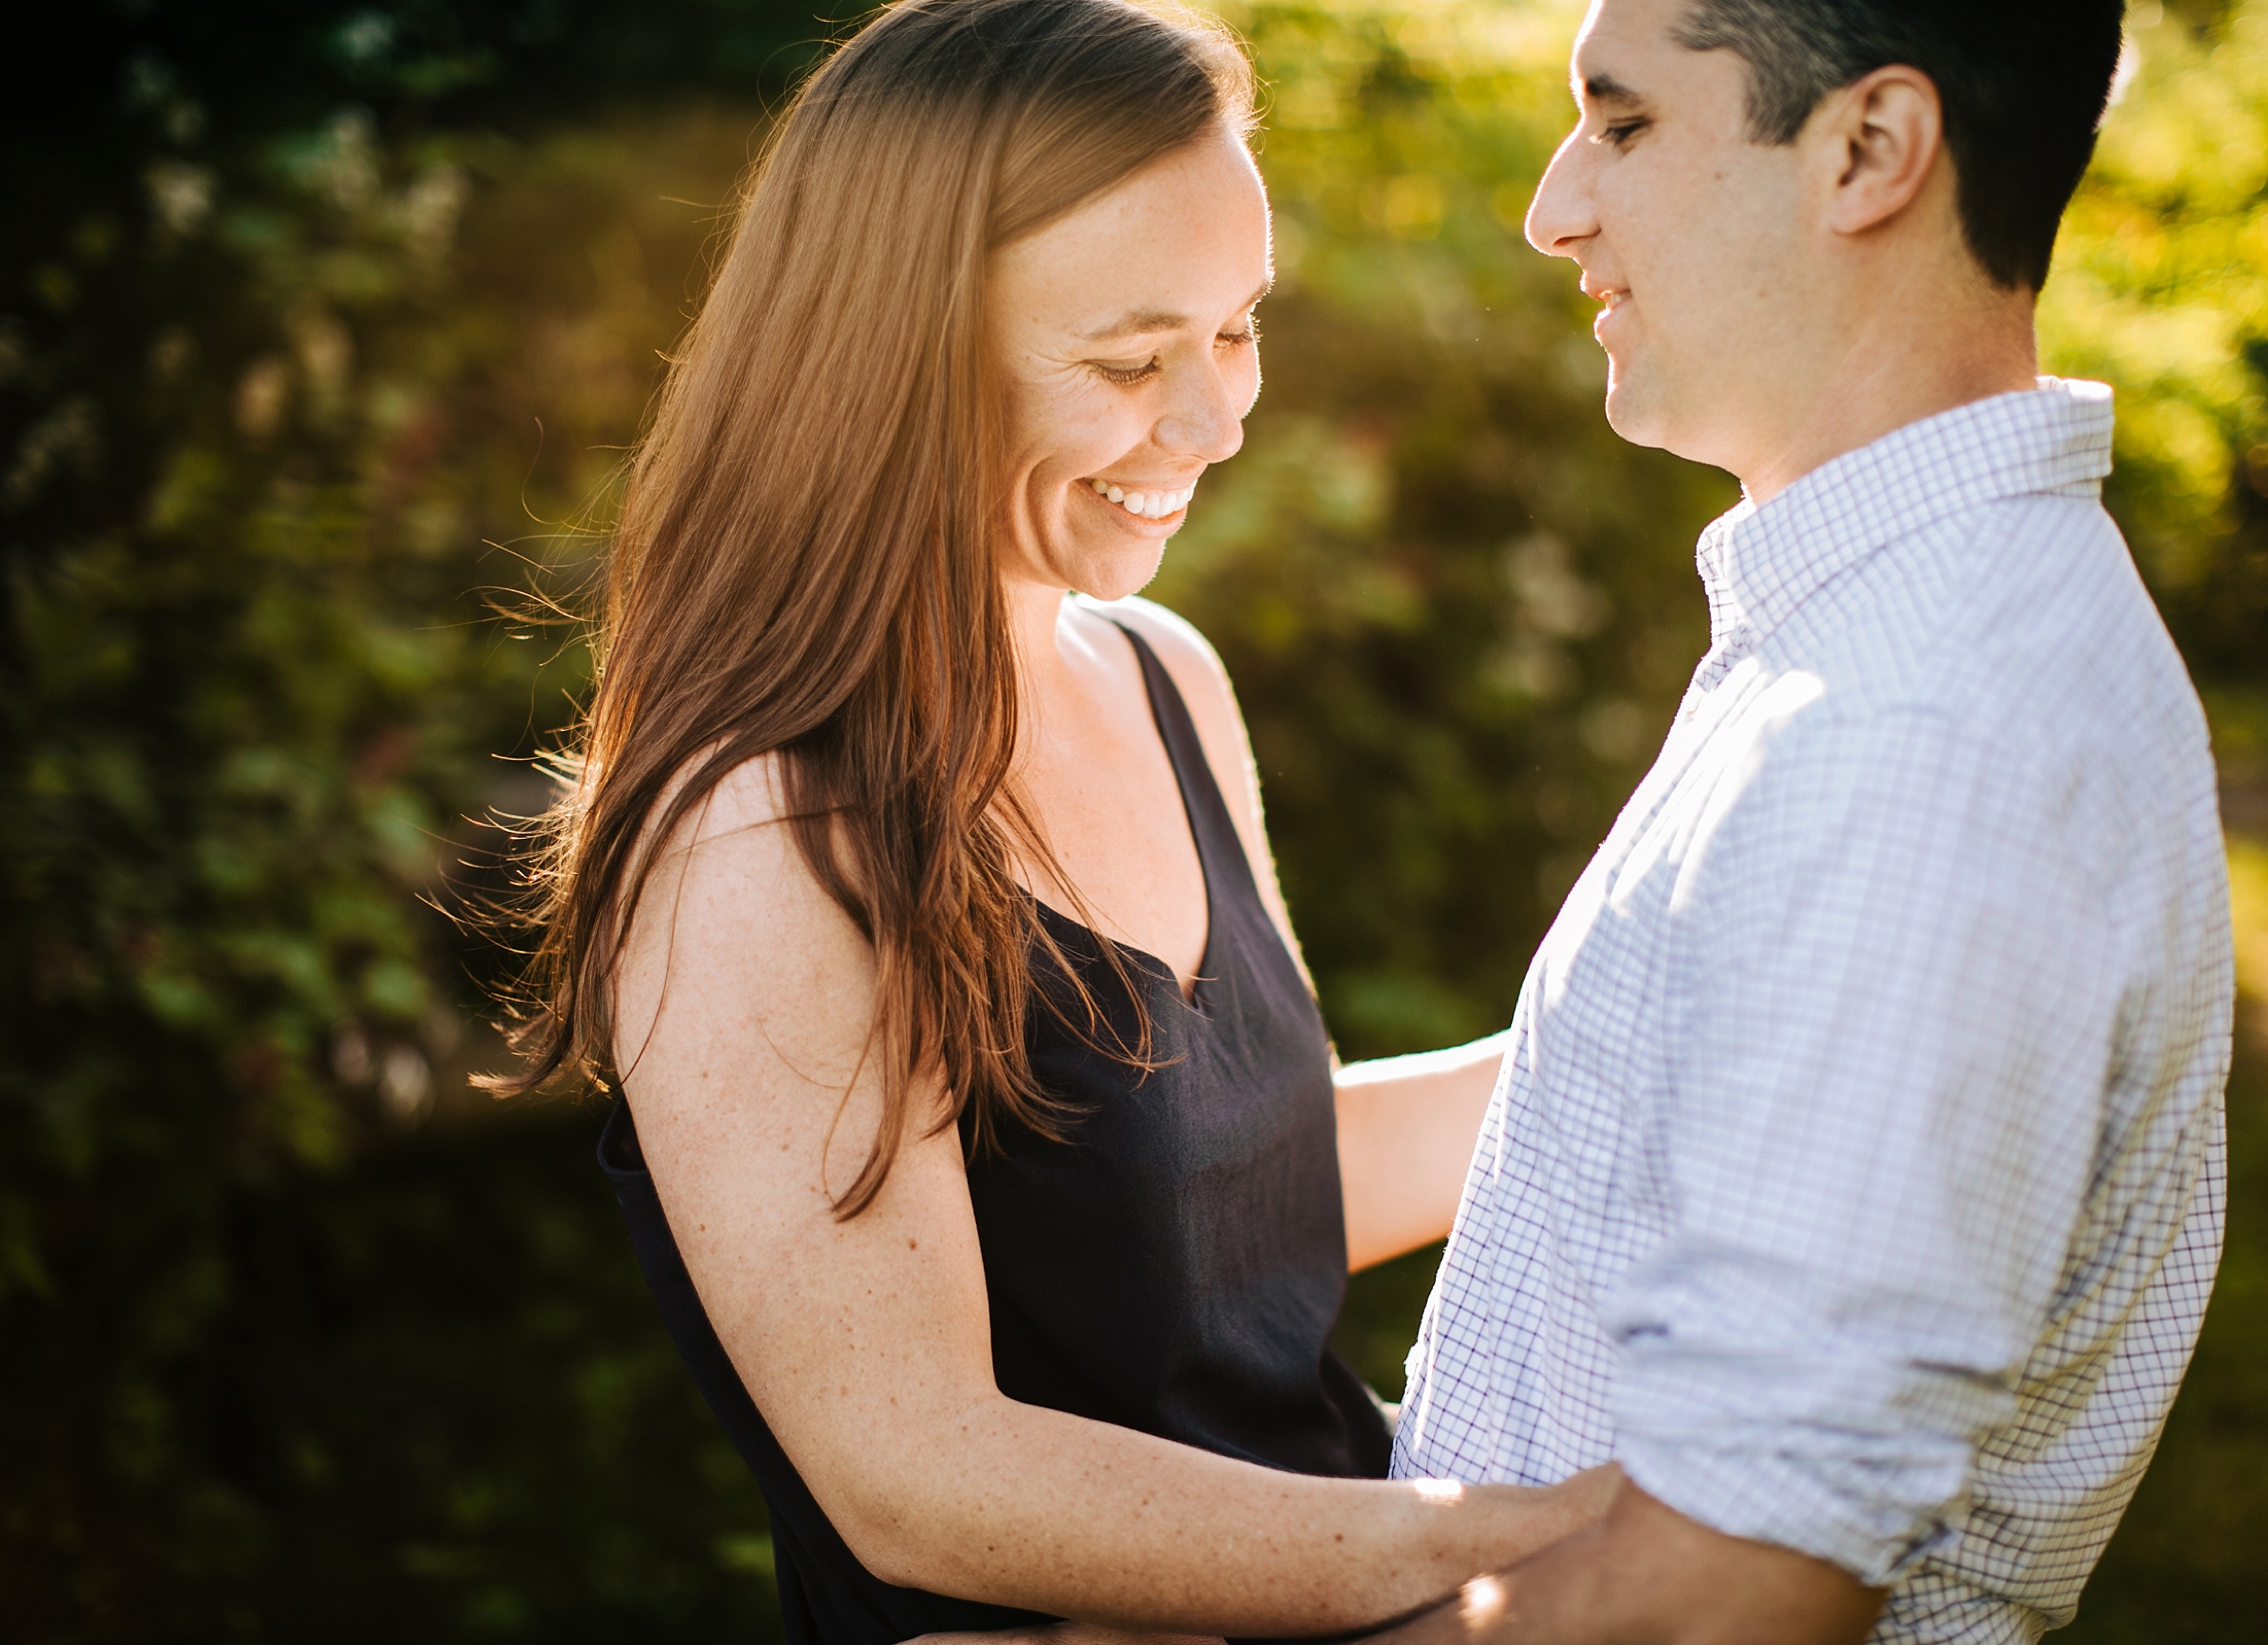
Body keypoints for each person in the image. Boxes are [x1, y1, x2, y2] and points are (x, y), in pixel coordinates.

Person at [487, 0, 1615, 1640]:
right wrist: (1511, 1547)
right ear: (892, 353)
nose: (1217, 418)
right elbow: (924, 1471)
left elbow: (1243, 1187)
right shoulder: (759, 834)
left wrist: (1666, 1042)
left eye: (1237, 329)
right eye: (1129, 357)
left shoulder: (1166, 677)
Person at [1366, 2, 2234, 1642]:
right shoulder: (1863, 638)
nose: (1556, 208)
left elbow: (1719, 1599)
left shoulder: (1915, 733)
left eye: (1622, 126)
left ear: (1868, 151)